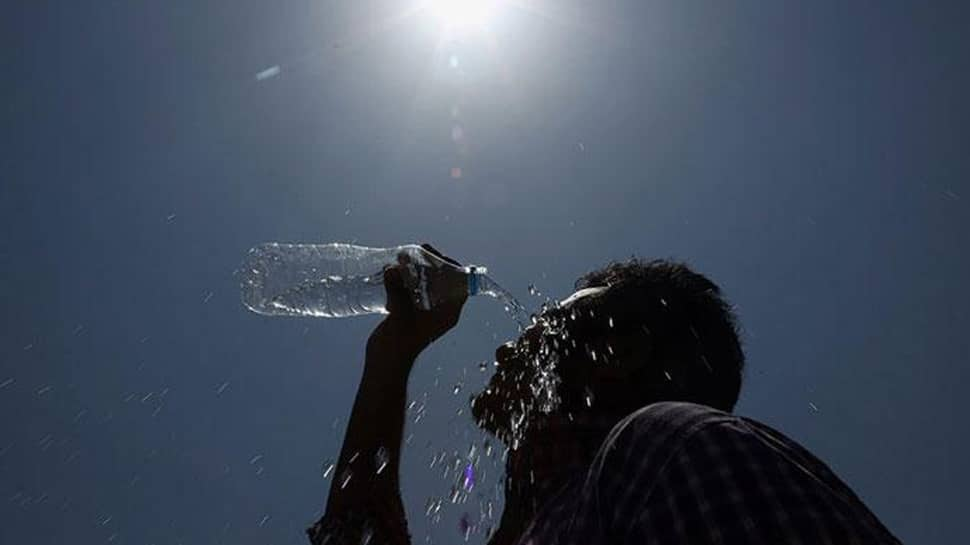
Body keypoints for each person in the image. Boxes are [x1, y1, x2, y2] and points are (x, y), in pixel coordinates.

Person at [307, 245, 902, 545]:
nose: (508, 352)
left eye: (545, 326)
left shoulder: (671, 451)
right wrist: (392, 352)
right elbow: (354, 534)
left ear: (617, 352)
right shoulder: (547, 520)